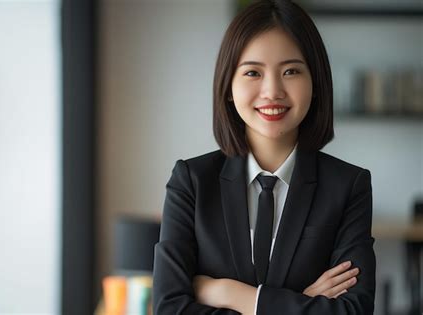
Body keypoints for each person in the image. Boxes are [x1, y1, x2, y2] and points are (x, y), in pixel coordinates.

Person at [152, 0, 376, 314]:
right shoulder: (191, 181)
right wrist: (304, 299)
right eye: (253, 72)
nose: (272, 91)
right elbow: (169, 308)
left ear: (316, 83)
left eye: (291, 71)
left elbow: (353, 310)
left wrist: (230, 293)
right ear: (228, 86)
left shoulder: (348, 185)